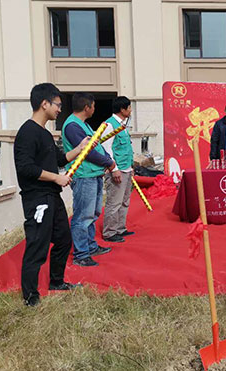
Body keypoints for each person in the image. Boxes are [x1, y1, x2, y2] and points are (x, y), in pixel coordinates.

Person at [14, 83, 90, 306]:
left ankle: (56, 282)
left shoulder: (45, 133)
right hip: (37, 198)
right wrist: (57, 178)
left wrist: (80, 149)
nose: (59, 109)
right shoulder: (27, 132)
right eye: (57, 104)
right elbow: (25, 168)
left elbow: (58, 160)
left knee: (64, 240)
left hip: (52, 197)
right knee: (37, 245)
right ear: (43, 103)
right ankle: (30, 297)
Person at [62, 93, 115, 267]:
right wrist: (108, 162)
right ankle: (81, 254)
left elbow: (96, 146)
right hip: (84, 176)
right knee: (82, 216)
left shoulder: (84, 125)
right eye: (93, 106)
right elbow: (88, 153)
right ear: (87, 107)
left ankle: (90, 246)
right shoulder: (72, 126)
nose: (94, 109)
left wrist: (106, 159)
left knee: (92, 214)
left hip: (94, 175)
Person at [101, 96, 135, 243]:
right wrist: (114, 168)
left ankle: (120, 228)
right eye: (129, 107)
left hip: (127, 168)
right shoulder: (109, 125)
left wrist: (130, 167)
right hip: (117, 169)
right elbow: (106, 149)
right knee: (114, 202)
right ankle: (110, 232)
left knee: (124, 201)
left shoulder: (123, 125)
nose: (131, 110)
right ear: (122, 109)